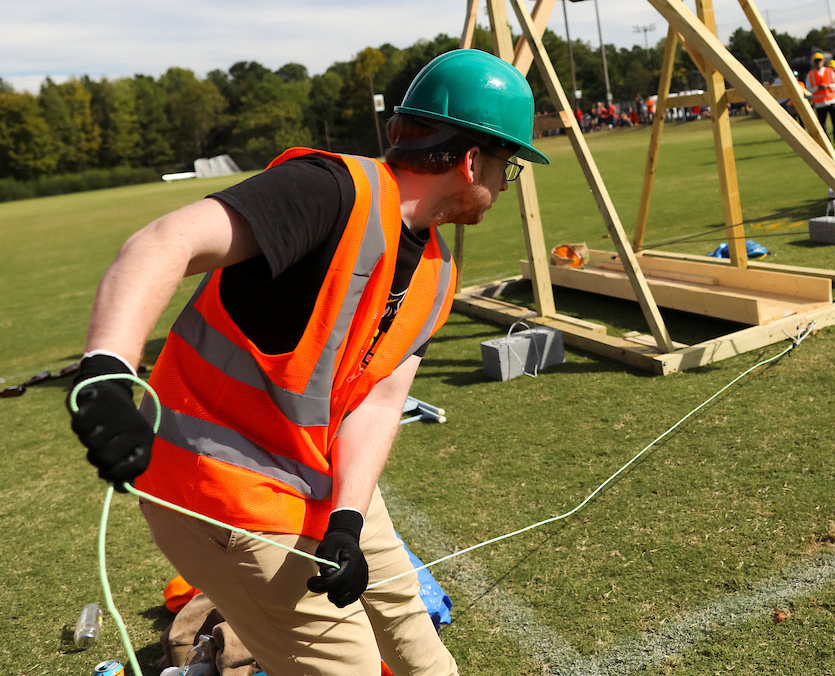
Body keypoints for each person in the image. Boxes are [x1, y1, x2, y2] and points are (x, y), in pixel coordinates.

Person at [66, 49, 549, 676]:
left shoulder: (437, 271)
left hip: (316, 482)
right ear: (470, 160)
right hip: (224, 493)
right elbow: (163, 242)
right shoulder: (329, 190)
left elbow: (377, 401)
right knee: (345, 666)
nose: (502, 185)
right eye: (506, 166)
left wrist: (347, 520)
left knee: (410, 628)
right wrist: (105, 372)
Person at [805, 52, 835, 146]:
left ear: (823, 61)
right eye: (816, 61)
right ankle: (826, 142)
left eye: (819, 61)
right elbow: (808, 89)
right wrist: (818, 88)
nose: (818, 63)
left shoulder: (829, 71)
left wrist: (827, 86)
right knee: (822, 126)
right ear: (814, 62)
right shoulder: (810, 74)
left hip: (831, 101)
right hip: (820, 104)